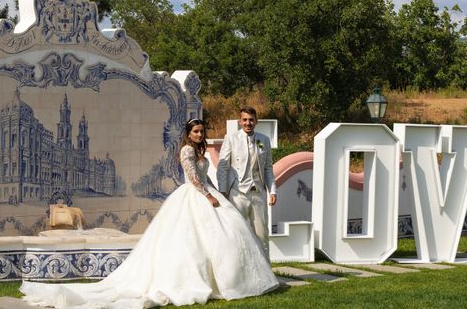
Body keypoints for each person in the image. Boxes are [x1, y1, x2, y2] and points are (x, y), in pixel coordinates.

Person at [21, 118, 278, 308]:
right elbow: (193, 179)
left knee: (222, 237)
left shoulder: (198, 151)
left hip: (207, 193)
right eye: (196, 131)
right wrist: (210, 195)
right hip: (196, 196)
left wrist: (214, 192)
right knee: (195, 241)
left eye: (201, 131)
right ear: (189, 134)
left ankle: (226, 280)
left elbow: (203, 175)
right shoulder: (187, 150)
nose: (200, 135)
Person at [216, 106, 276, 253]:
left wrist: (272, 190)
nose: (248, 123)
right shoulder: (231, 138)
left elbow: (268, 167)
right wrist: (223, 192)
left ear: (256, 121)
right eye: (245, 120)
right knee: (237, 234)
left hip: (258, 193)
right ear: (239, 121)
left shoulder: (264, 140)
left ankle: (266, 273)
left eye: (251, 120)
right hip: (237, 193)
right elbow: (222, 167)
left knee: (262, 235)